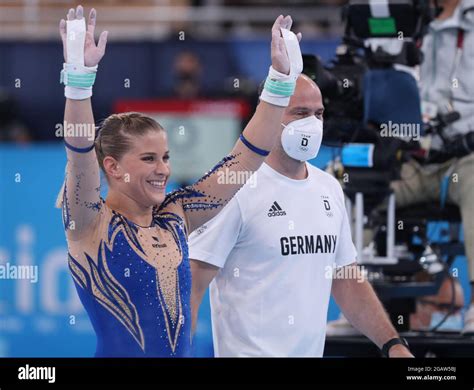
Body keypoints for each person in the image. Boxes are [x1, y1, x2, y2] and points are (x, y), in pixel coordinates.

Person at [57, 5, 303, 357]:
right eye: (148, 159)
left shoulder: (176, 217)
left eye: (166, 157)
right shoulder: (89, 223)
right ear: (111, 166)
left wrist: (280, 82)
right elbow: (80, 155)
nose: (163, 169)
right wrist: (78, 84)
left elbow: (245, 159)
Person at [189, 75, 413, 357]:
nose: (313, 123)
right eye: (301, 113)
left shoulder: (330, 188)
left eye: (318, 113)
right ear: (268, 115)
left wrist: (392, 344)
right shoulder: (235, 189)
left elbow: (345, 278)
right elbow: (191, 286)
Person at [391, 0, 474, 333]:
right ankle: (363, 305)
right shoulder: (404, 21)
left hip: (465, 158)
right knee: (355, 189)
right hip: (411, 159)